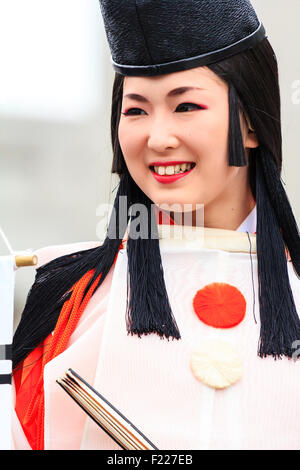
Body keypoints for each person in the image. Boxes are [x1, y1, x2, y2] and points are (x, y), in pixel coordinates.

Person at [12, 0, 300, 450]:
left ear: (251, 123)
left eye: (185, 106)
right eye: (136, 110)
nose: (158, 138)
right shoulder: (70, 298)